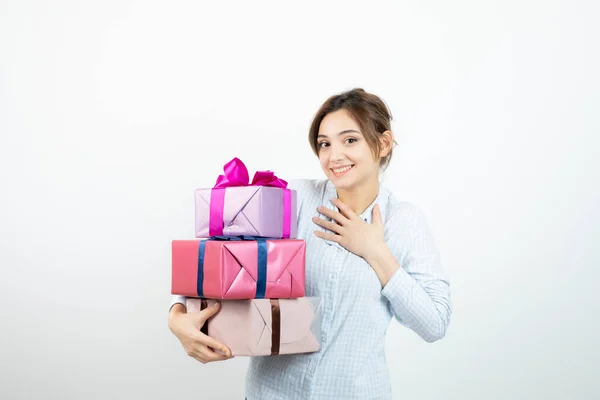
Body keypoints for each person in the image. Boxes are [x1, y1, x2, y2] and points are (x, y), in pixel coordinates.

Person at [168, 88, 452, 399]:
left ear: (383, 144)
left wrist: (375, 251)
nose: (334, 156)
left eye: (350, 140)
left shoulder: (405, 222)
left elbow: (434, 324)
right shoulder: (296, 199)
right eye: (324, 144)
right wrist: (178, 315)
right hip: (271, 392)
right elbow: (218, 258)